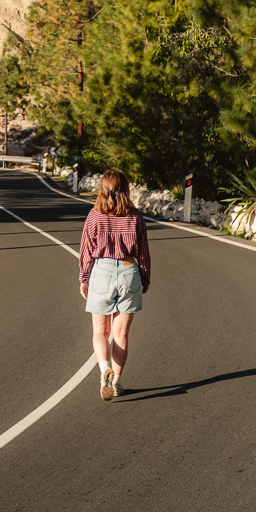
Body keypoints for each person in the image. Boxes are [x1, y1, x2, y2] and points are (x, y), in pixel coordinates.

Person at [79, 170, 150, 401]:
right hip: (129, 271)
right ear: (126, 190)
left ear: (102, 189)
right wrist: (145, 279)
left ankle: (104, 369)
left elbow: (86, 250)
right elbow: (143, 252)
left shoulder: (94, 216)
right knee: (121, 334)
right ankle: (116, 383)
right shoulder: (136, 217)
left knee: (100, 332)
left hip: (102, 271)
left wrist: (84, 278)